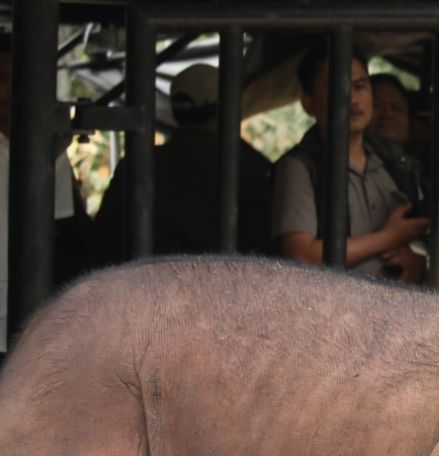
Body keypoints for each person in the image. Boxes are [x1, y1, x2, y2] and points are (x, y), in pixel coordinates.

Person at [271, 43, 429, 281]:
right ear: (308, 103)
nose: (352, 99)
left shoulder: (395, 162)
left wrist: (418, 262)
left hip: (398, 310)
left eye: (360, 86)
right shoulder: (299, 166)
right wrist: (389, 238)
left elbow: (426, 234)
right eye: (337, 88)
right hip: (334, 313)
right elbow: (300, 255)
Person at [94, 64, 275, 265]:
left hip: (147, 290)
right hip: (227, 291)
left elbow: (103, 246)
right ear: (232, 106)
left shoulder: (136, 167)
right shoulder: (252, 169)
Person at [0, 32, 79, 355]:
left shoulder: (51, 151)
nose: (11, 92)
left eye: (18, 81)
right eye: (3, 80)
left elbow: (58, 230)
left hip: (25, 315)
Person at [367, 73, 426, 214]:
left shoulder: (418, 169)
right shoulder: (355, 164)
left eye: (397, 108)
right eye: (376, 106)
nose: (387, 113)